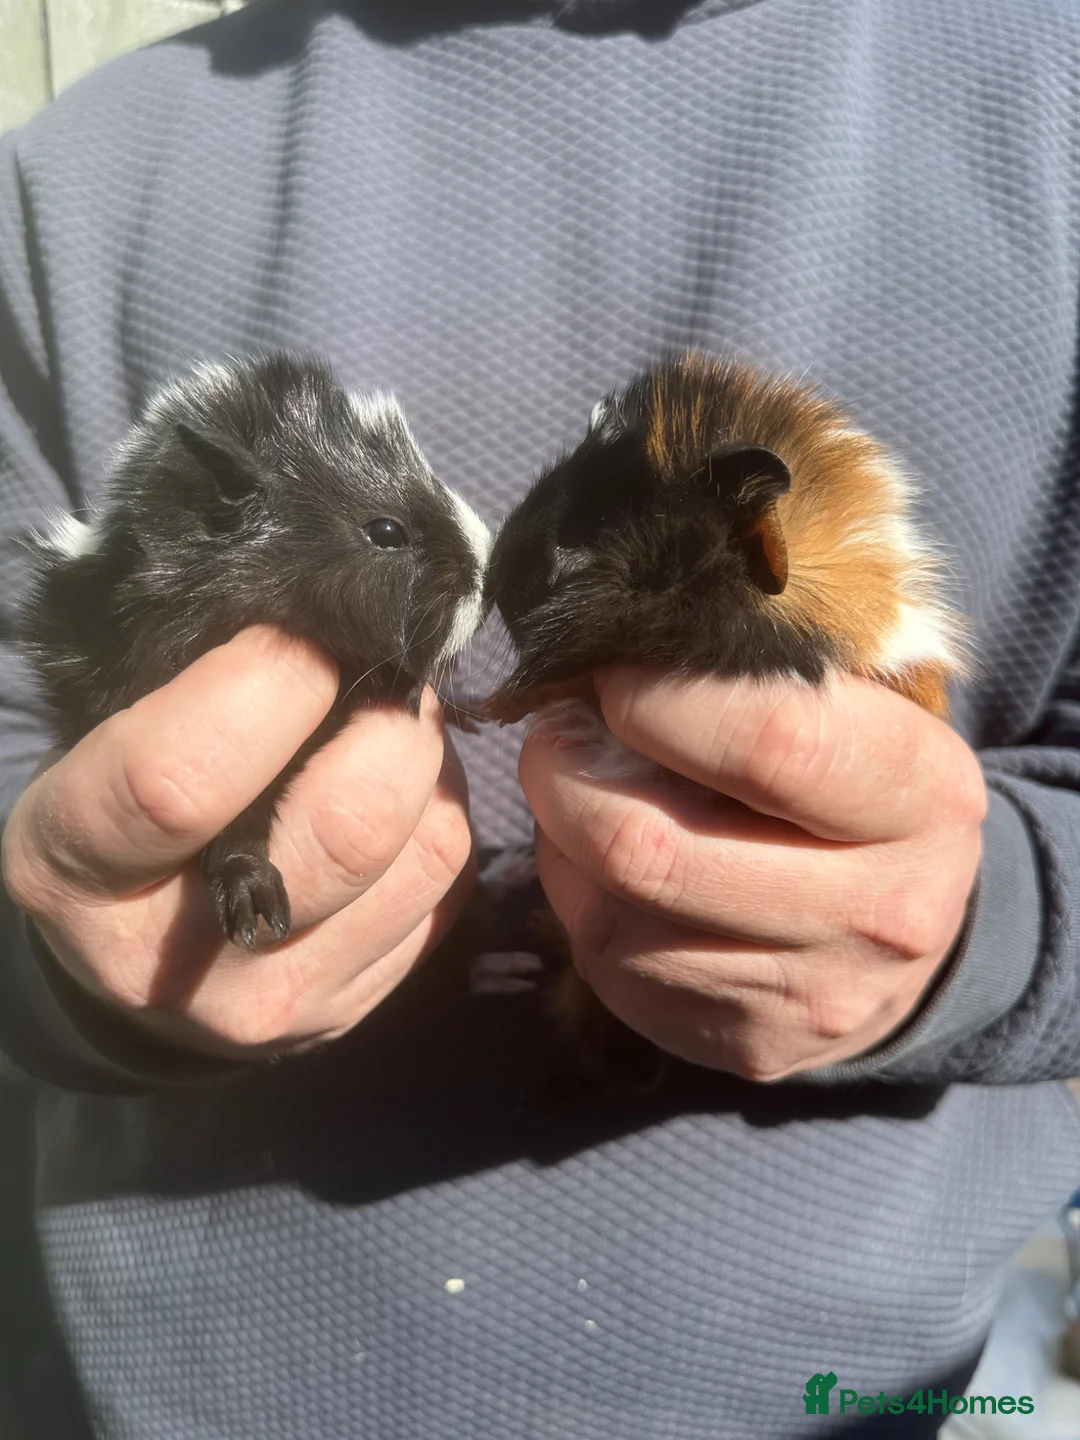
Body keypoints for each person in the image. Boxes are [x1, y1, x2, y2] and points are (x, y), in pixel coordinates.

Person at [1, 1, 1078, 1435]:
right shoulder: (69, 180)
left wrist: (997, 924)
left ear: (754, 533)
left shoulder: (1050, 99)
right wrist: (64, 949)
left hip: (872, 1398)